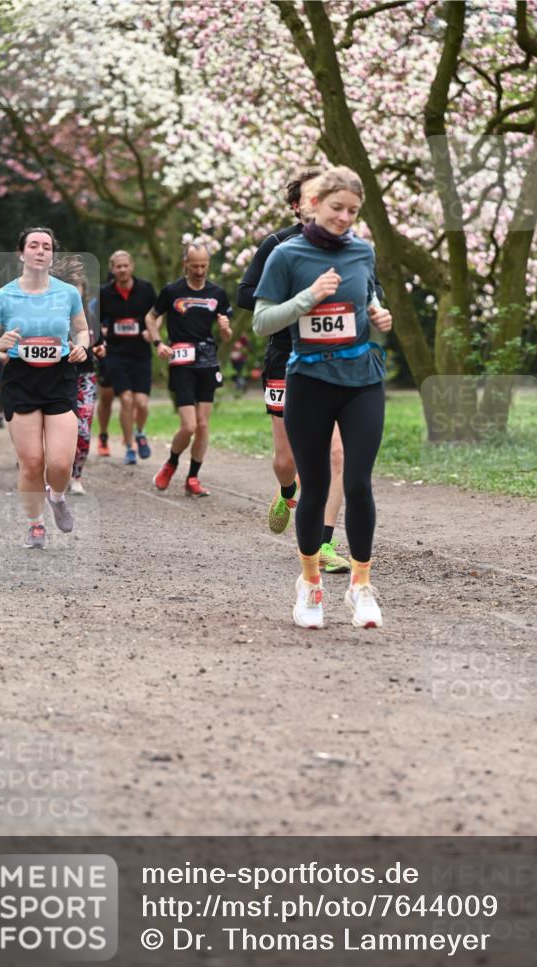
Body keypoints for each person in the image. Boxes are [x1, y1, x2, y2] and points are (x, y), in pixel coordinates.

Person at [253, 166, 392, 629]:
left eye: (353, 211)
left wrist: (378, 313)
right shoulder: (285, 255)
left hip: (361, 378)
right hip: (310, 381)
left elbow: (367, 295)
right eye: (337, 208)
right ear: (314, 204)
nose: (345, 218)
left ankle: (361, 586)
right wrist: (307, 299)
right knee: (313, 488)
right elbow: (262, 321)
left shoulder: (362, 251)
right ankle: (310, 584)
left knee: (357, 482)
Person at [237, 168, 351, 574]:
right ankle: (288, 492)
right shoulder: (278, 244)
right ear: (297, 205)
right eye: (312, 196)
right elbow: (245, 294)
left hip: (332, 358)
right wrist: (300, 300)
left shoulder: (346, 246)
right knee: (287, 459)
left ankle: (323, 543)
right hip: (285, 356)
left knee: (336, 455)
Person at [0, 227, 89, 548]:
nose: (40, 250)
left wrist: (81, 347)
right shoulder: (3, 297)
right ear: (21, 253)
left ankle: (58, 495)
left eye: (46, 246)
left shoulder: (68, 293)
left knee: (60, 463)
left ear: (52, 255)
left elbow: (82, 332)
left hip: (60, 377)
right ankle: (35, 524)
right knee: (32, 461)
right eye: (34, 245)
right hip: (21, 379)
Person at [146, 241, 233, 497]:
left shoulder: (217, 293)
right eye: (194, 265)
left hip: (207, 361)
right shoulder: (172, 290)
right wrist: (158, 343)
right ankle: (171, 463)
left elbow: (226, 337)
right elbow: (151, 317)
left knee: (203, 425)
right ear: (185, 264)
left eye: (204, 265)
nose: (200, 270)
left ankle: (193, 477)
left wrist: (226, 329)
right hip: (182, 361)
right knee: (189, 426)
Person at [99, 251, 156, 464]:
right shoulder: (105, 293)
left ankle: (140, 433)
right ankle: (130, 446)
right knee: (126, 399)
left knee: (141, 403)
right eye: (118, 266)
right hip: (116, 353)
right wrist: (102, 330)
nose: (122, 270)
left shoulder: (146, 289)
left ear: (132, 266)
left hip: (141, 353)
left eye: (125, 265)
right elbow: (95, 318)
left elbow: (156, 315)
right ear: (112, 269)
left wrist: (152, 332)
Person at [69, 274, 106, 494]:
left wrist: (101, 350)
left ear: (83, 290)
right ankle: (52, 472)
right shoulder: (52, 315)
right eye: (70, 286)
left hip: (85, 378)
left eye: (78, 287)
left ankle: (76, 476)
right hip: (55, 378)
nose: (75, 290)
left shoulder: (91, 317)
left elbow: (99, 346)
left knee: (82, 430)